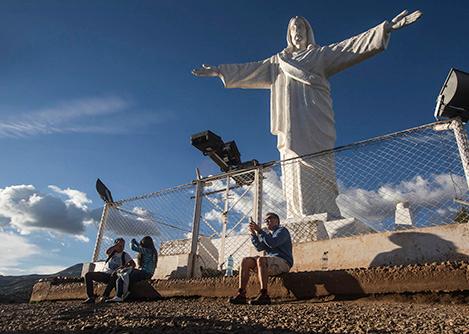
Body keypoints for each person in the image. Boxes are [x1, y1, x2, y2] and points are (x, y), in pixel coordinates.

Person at [192, 10, 422, 219]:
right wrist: (220, 71)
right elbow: (250, 69)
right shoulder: (278, 62)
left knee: (318, 159)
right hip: (290, 120)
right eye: (293, 29)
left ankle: (325, 210)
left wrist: (384, 29)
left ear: (308, 32)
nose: (297, 33)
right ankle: (298, 213)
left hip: (315, 118)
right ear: (288, 35)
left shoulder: (320, 55)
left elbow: (350, 47)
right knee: (293, 157)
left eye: (300, 28)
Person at [229, 212, 293, 305]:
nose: (267, 221)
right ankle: (241, 294)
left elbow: (273, 243)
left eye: (270, 218)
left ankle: (264, 294)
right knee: (245, 261)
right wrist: (253, 234)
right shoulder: (267, 234)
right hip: (269, 262)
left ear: (277, 221)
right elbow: (259, 247)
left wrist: (260, 231)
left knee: (261, 259)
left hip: (283, 262)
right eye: (266, 220)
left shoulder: (282, 231)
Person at [83, 238, 135, 304]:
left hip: (115, 275)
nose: (121, 247)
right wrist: (115, 246)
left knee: (114, 274)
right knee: (88, 275)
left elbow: (133, 264)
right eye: (119, 245)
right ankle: (91, 297)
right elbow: (107, 251)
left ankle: (105, 296)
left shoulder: (125, 255)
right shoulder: (112, 253)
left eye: (123, 245)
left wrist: (123, 267)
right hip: (105, 274)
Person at [107, 236, 158, 302]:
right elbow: (140, 247)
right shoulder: (152, 251)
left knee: (124, 275)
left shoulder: (147, 251)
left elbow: (133, 248)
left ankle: (119, 296)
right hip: (148, 273)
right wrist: (136, 242)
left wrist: (132, 242)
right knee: (127, 277)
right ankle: (125, 293)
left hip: (144, 273)